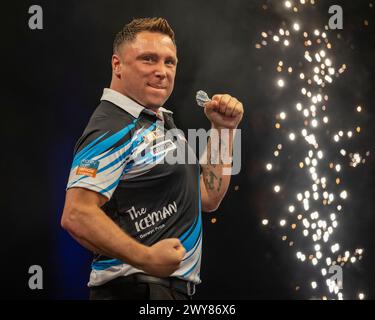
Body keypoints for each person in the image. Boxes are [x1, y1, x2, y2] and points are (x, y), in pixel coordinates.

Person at [61, 17, 244, 300]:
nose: (162, 71)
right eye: (149, 59)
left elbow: (208, 196)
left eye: (169, 62)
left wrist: (223, 130)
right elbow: (76, 214)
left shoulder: (158, 121)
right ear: (117, 65)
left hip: (166, 291)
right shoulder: (113, 124)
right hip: (135, 290)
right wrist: (146, 257)